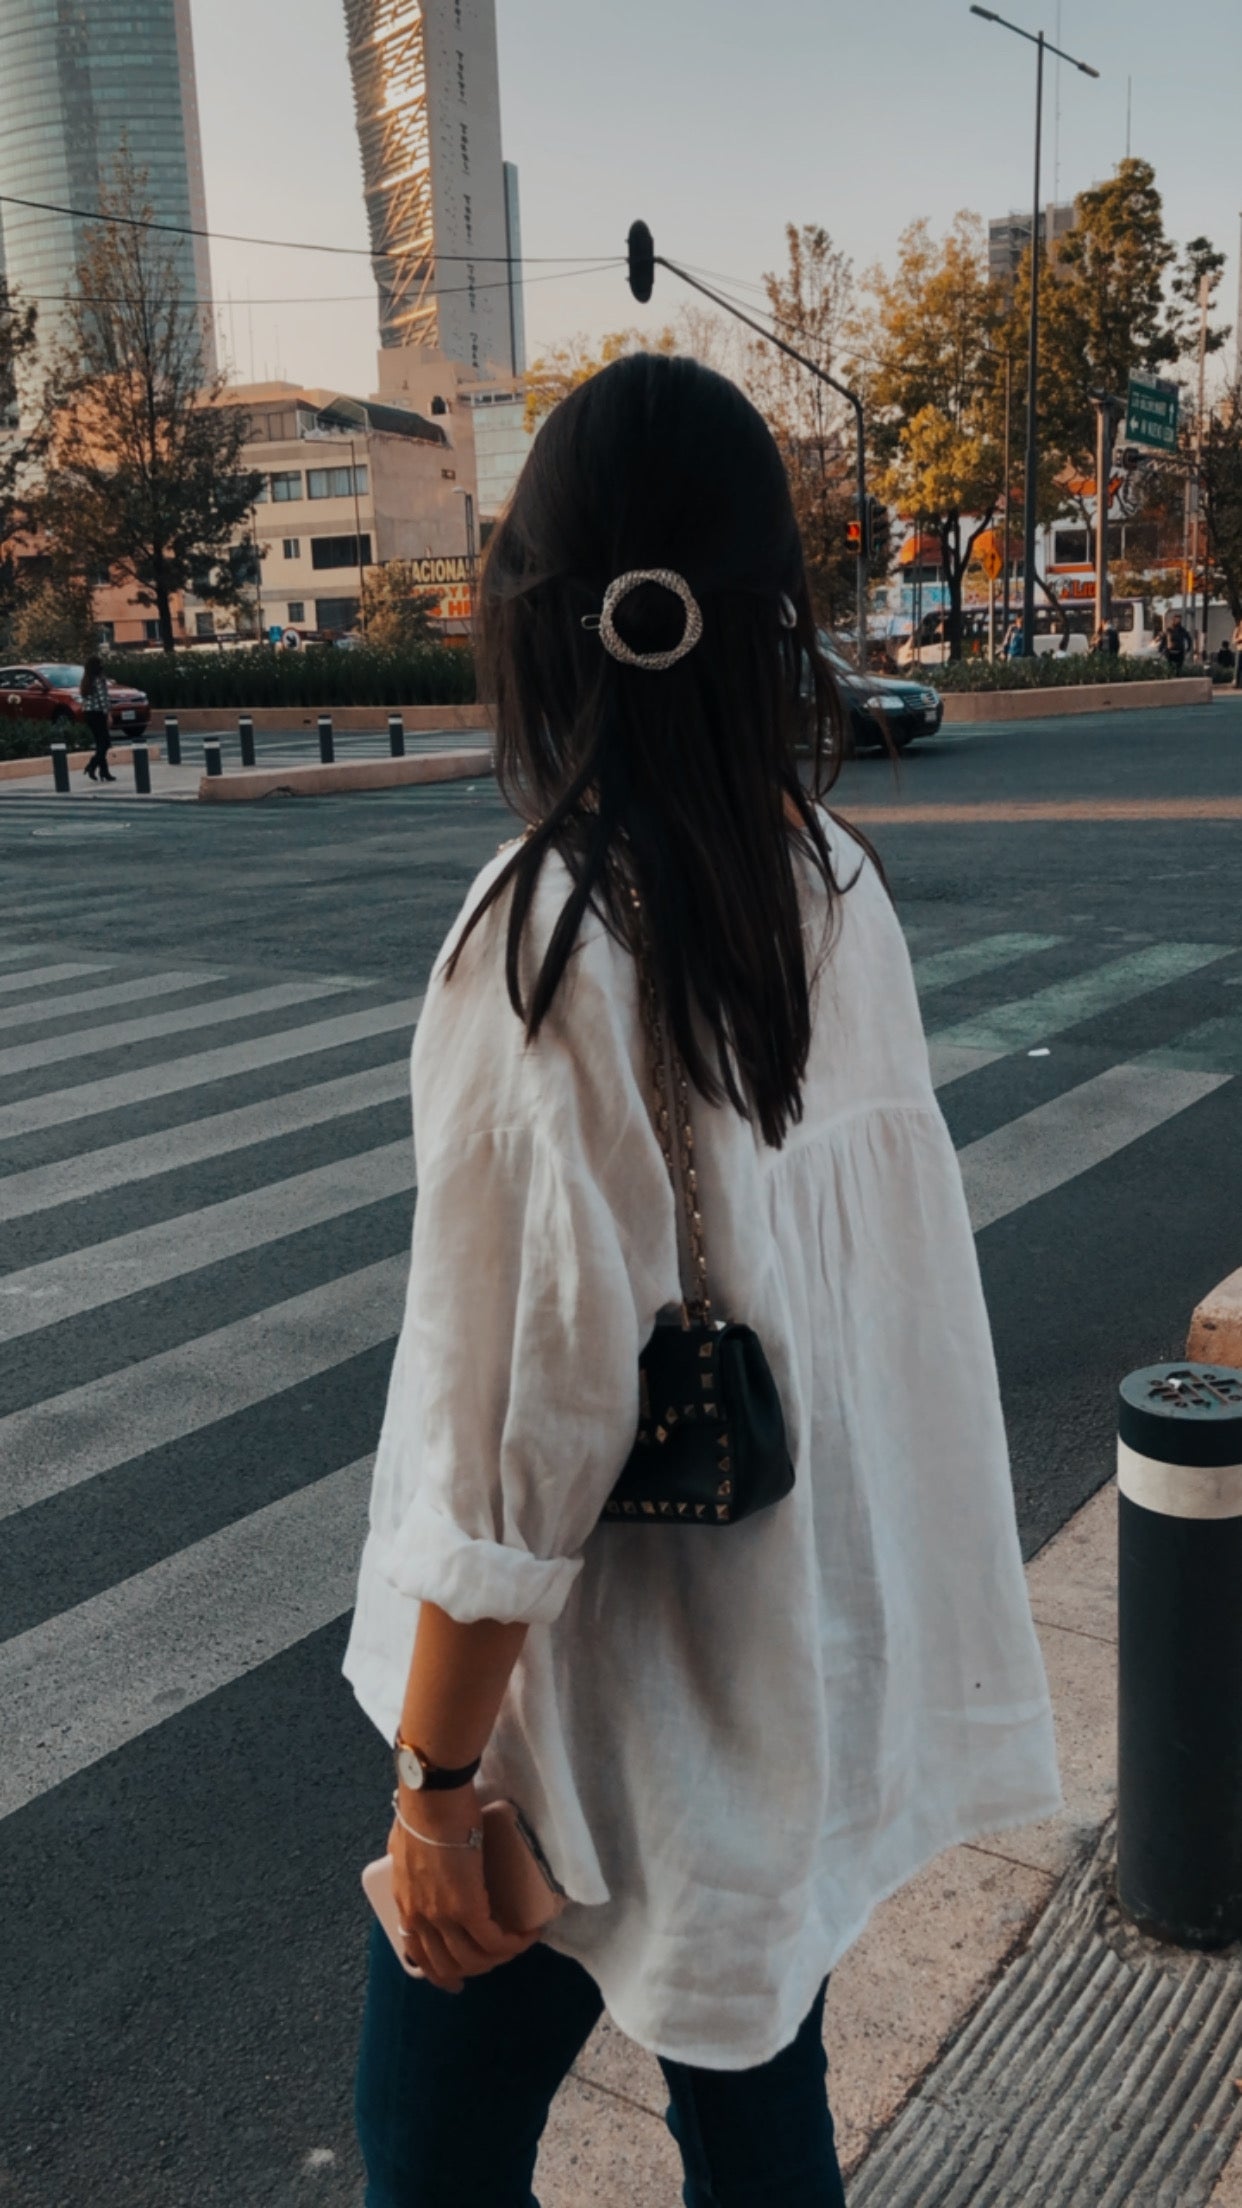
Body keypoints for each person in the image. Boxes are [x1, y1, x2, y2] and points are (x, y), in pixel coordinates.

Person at [344, 352, 1060, 2208]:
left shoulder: (546, 940)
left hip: (572, 1734)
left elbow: (520, 1429)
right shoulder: (827, 878)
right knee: (758, 2107)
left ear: (540, 624)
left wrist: (434, 1782)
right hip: (776, 1679)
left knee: (427, 2152)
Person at [79, 653, 115, 780]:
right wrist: (108, 715)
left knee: (100, 743)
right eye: (100, 664)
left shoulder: (85, 680)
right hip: (98, 713)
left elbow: (83, 700)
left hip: (88, 714)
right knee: (105, 743)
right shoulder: (99, 679)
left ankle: (104, 772)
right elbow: (102, 698)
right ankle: (92, 765)